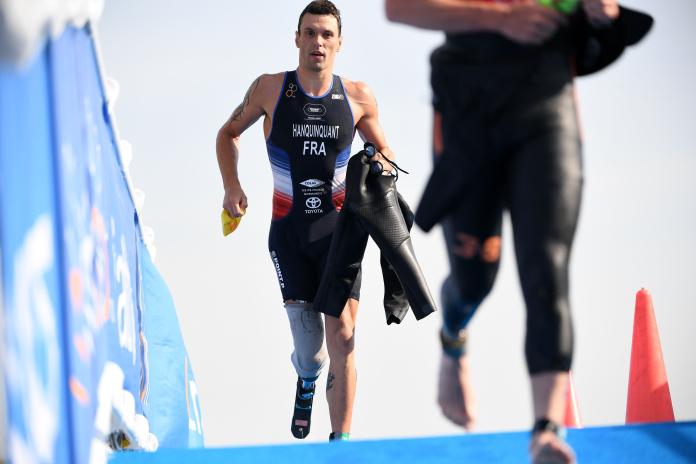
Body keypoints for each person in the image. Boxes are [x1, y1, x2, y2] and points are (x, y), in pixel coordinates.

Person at [385, 0, 622, 462]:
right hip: (469, 109)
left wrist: (604, 14)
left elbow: (604, 14)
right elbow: (398, 7)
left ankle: (545, 430)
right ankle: (454, 338)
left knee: (547, 268)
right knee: (475, 279)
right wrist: (500, 17)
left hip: (547, 102)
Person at [216, 0, 396, 442]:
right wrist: (232, 186)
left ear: (339, 43)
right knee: (311, 351)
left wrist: (380, 167)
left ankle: (342, 444)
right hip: (290, 234)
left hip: (340, 235)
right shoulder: (270, 89)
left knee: (346, 337)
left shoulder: (358, 97)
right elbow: (227, 134)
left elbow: (387, 153)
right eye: (310, 32)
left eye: (326, 34)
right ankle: (307, 378)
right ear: (297, 38)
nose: (318, 41)